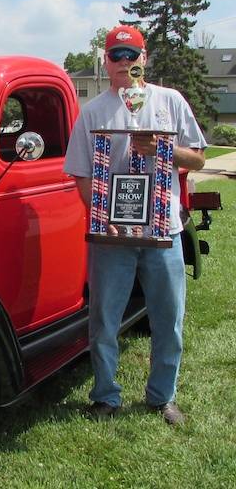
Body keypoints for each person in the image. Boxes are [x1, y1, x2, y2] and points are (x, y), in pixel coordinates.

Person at [64, 24, 206, 425]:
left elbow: (197, 159)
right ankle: (106, 396)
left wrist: (165, 148)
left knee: (168, 318)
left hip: (164, 233)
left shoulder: (170, 101)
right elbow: (81, 175)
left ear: (144, 58)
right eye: (116, 55)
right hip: (112, 238)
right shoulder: (92, 112)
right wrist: (104, 216)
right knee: (105, 320)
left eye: (132, 55)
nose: (124, 62)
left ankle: (163, 396)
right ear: (105, 62)